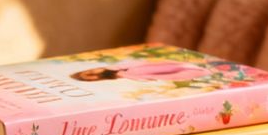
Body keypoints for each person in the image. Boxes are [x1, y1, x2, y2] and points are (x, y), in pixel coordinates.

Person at [70, 59, 210, 82]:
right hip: (154, 72)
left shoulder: (118, 66)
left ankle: (203, 69)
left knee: (180, 66)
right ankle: (203, 71)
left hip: (156, 65)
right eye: (89, 77)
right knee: (181, 72)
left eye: (89, 72)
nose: (93, 74)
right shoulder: (122, 76)